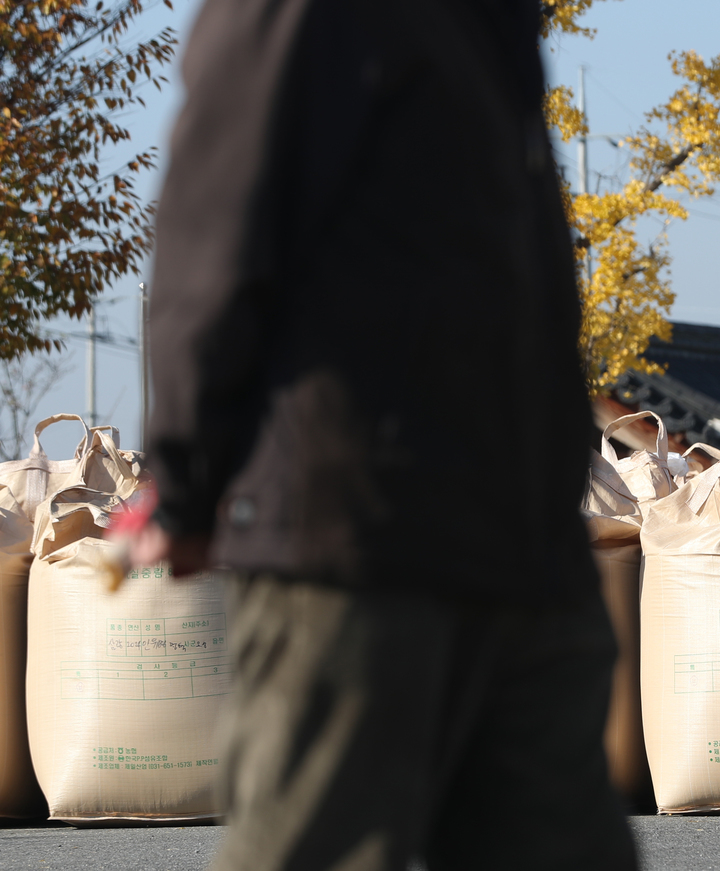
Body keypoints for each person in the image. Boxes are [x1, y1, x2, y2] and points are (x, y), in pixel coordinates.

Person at [119, 1, 637, 868]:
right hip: (354, 540)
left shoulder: (491, 20)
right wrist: (186, 472)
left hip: (523, 556)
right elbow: (214, 234)